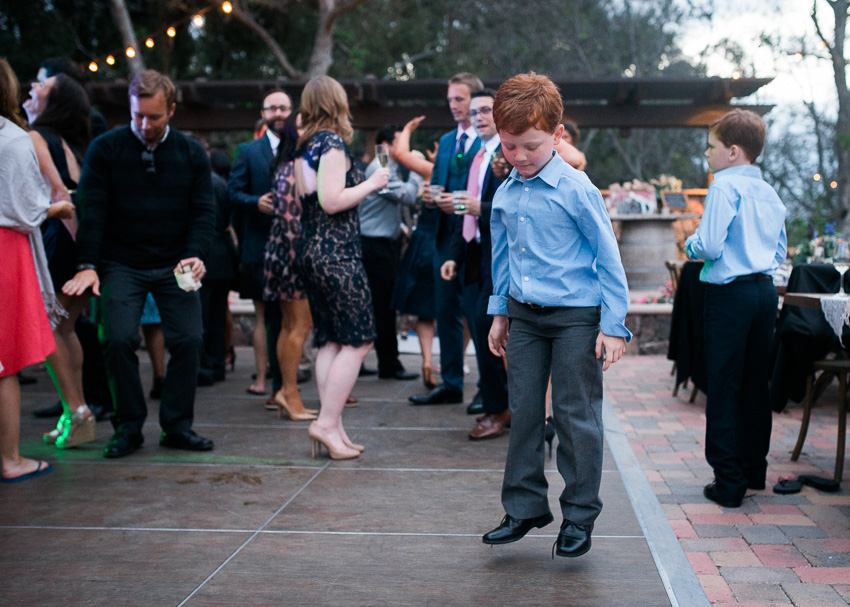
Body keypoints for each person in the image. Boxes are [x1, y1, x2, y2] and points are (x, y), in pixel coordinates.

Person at [482, 73, 631, 559]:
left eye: (531, 146)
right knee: (524, 411)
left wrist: (613, 325)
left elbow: (608, 257)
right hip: (523, 318)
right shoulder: (506, 191)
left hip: (575, 320)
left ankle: (580, 516)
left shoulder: (576, 188)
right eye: (510, 146)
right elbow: (502, 258)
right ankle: (524, 507)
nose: (519, 157)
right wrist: (500, 313)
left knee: (575, 415)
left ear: (558, 135)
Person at [63, 69, 216, 459]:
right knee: (115, 339)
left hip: (175, 263)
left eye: (154, 117)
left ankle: (177, 426)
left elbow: (203, 211)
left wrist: (197, 253)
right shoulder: (106, 148)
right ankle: (128, 427)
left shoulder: (191, 152)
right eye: (137, 116)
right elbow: (92, 210)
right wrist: (87, 263)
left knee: (190, 338)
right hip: (120, 262)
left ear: (172, 111)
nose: (145, 125)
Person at [684, 109, 786, 508]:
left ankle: (728, 482)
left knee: (724, 385)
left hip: (730, 296)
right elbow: (779, 252)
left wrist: (691, 245)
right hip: (763, 293)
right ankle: (753, 470)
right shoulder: (770, 193)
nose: (706, 154)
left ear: (732, 151)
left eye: (710, 147)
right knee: (755, 384)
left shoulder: (724, 187)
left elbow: (708, 246)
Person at [293, 76, 388, 460]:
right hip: (336, 253)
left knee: (332, 339)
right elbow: (332, 201)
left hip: (312, 252)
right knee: (361, 339)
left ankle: (334, 428)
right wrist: (373, 181)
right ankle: (327, 423)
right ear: (337, 103)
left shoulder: (304, 146)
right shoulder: (331, 143)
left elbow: (310, 198)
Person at [0, 58, 72, 482]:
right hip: (6, 249)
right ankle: (10, 458)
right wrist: (57, 207)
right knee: (5, 362)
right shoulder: (13, 139)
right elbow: (27, 212)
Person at [26, 72, 97, 449]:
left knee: (51, 327)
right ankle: (74, 412)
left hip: (59, 239)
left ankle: (76, 408)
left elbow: (56, 191)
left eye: (42, 87)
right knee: (66, 327)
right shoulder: (75, 144)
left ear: (54, 102)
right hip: (80, 243)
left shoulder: (37, 136)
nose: (33, 88)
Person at [409, 72, 484, 406]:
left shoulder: (487, 140)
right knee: (445, 312)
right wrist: (428, 196)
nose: (454, 106)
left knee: (478, 315)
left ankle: (490, 390)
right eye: (450, 99)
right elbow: (436, 184)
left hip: (476, 240)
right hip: (442, 238)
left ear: (476, 100)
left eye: (460, 99)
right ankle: (451, 383)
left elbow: (479, 194)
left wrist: (452, 200)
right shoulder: (447, 141)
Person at [439, 88, 510, 440]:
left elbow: (506, 206)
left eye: (487, 111)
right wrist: (453, 254)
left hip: (499, 257)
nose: (479, 117)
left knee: (487, 328)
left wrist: (475, 206)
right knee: (479, 328)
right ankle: (497, 404)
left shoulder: (508, 153)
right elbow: (462, 209)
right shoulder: (478, 155)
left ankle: (499, 409)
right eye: (476, 111)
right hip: (472, 254)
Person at [229, 90, 293, 399]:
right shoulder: (247, 151)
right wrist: (256, 202)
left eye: (283, 108)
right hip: (259, 247)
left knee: (291, 319)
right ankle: (271, 383)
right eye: (273, 108)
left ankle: (286, 386)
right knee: (266, 317)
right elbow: (233, 193)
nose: (278, 113)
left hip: (294, 248)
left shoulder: (302, 150)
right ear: (263, 112)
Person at [263, 111, 317, 421]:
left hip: (281, 252)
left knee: (287, 326)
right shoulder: (297, 167)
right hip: (294, 254)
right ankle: (290, 393)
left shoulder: (285, 166)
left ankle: (286, 391)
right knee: (300, 326)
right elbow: (291, 218)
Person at [359, 124, 422, 381]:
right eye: (400, 144)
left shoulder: (387, 166)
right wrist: (418, 167)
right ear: (386, 146)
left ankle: (380, 362)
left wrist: (400, 227)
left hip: (383, 243)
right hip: (375, 247)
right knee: (383, 307)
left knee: (381, 306)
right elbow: (407, 196)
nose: (404, 150)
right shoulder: (381, 167)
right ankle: (389, 365)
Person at [390, 116, 439, 389]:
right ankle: (458, 363)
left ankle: (428, 359)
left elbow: (400, 153)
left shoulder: (431, 172)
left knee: (424, 311)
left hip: (422, 245)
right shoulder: (468, 175)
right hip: (447, 246)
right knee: (459, 312)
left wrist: (407, 129)